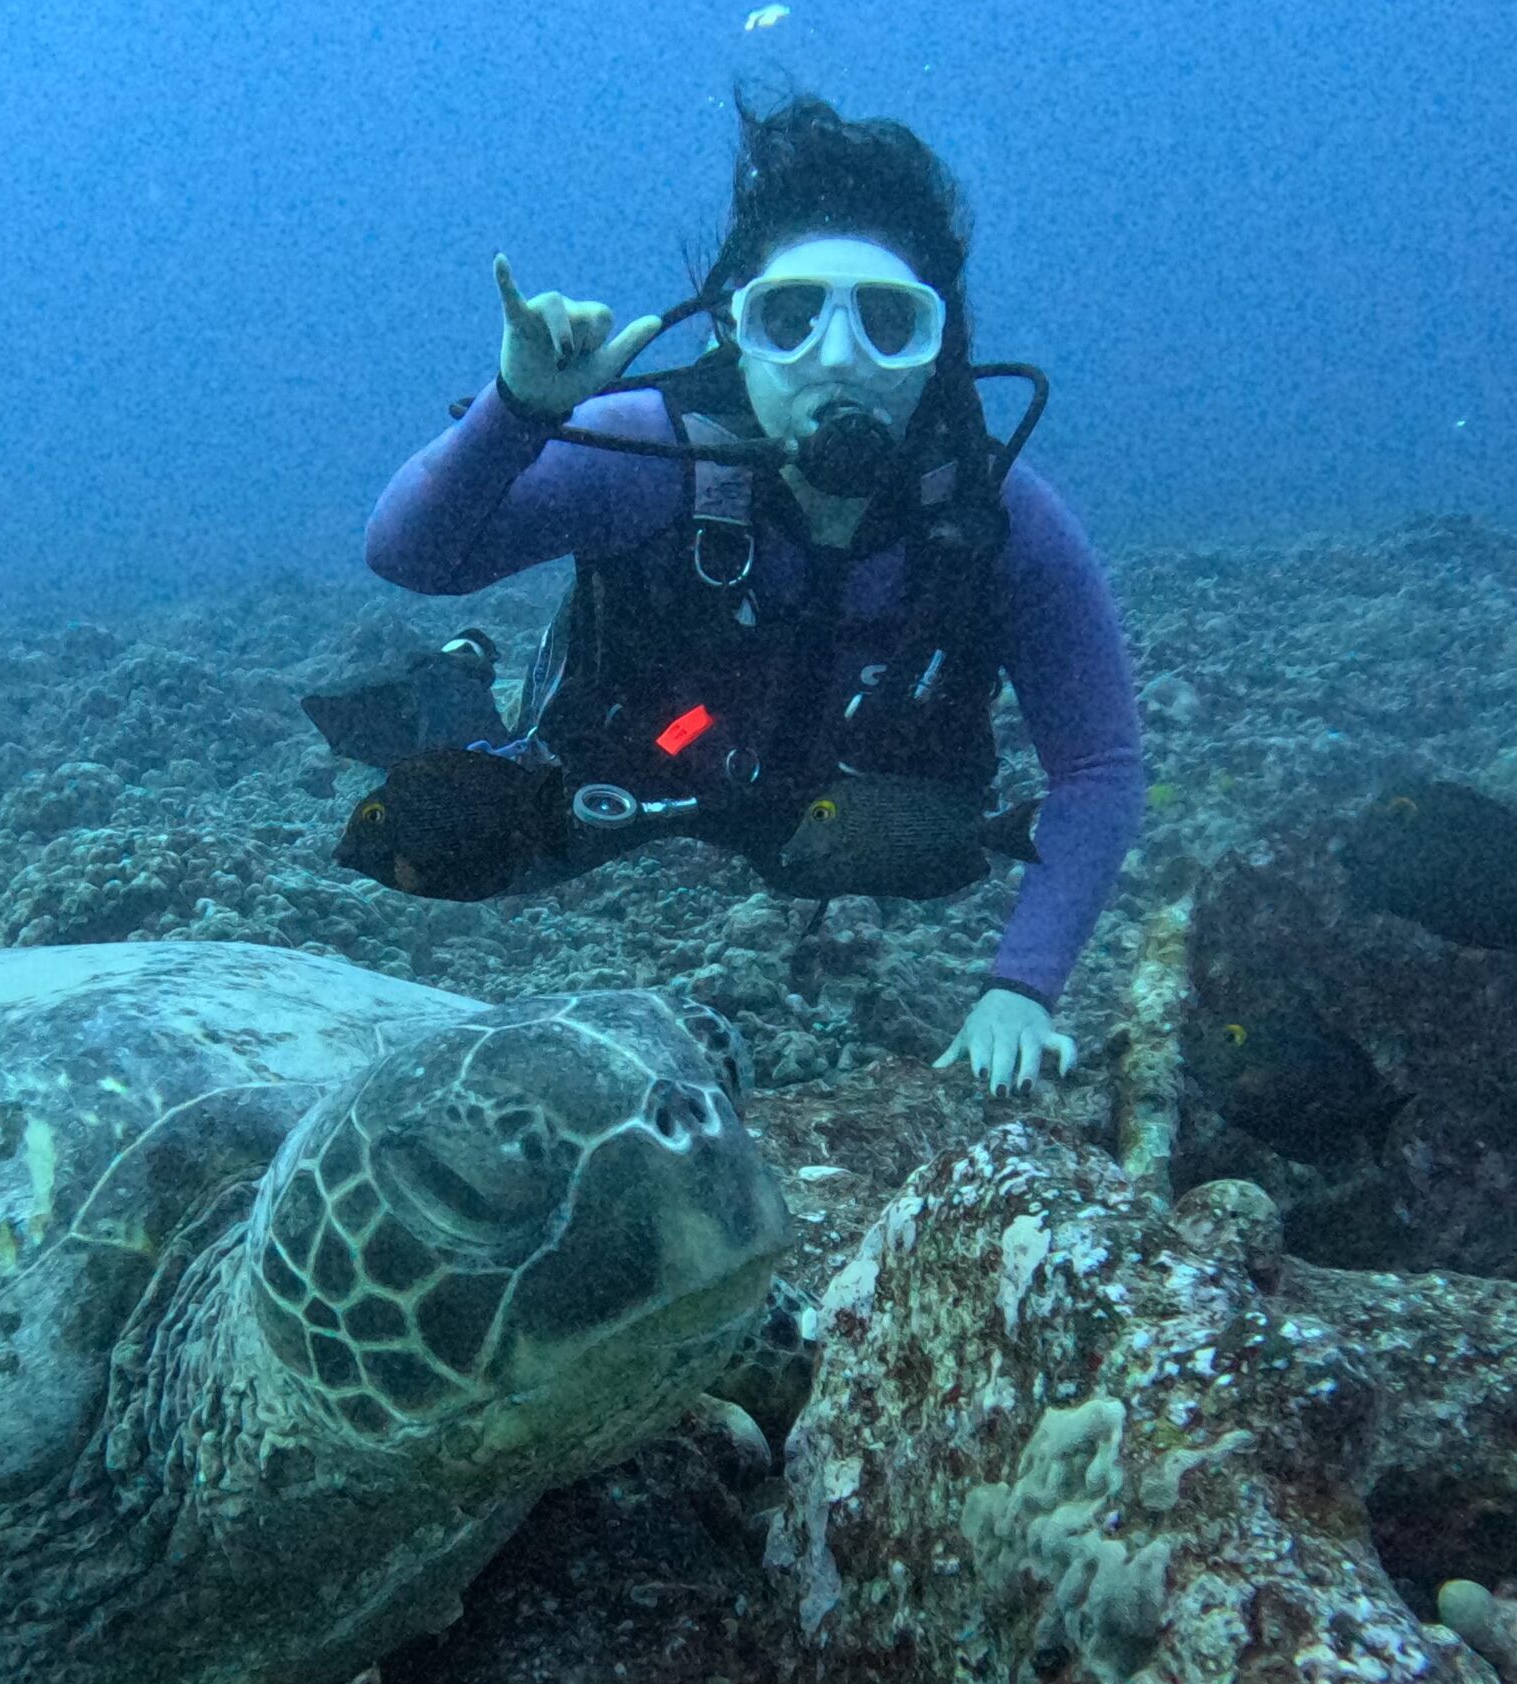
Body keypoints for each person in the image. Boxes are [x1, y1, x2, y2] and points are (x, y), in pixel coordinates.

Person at [363, 93, 1144, 1096]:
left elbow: (1100, 762)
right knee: (454, 840)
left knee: (925, 856)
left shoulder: (997, 516)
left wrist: (1022, 986)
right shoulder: (650, 452)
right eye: (791, 316)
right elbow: (412, 556)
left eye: (888, 322)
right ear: (737, 331)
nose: (835, 357)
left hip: (837, 814)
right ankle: (457, 675)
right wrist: (515, 411)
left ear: (938, 345)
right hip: (630, 760)